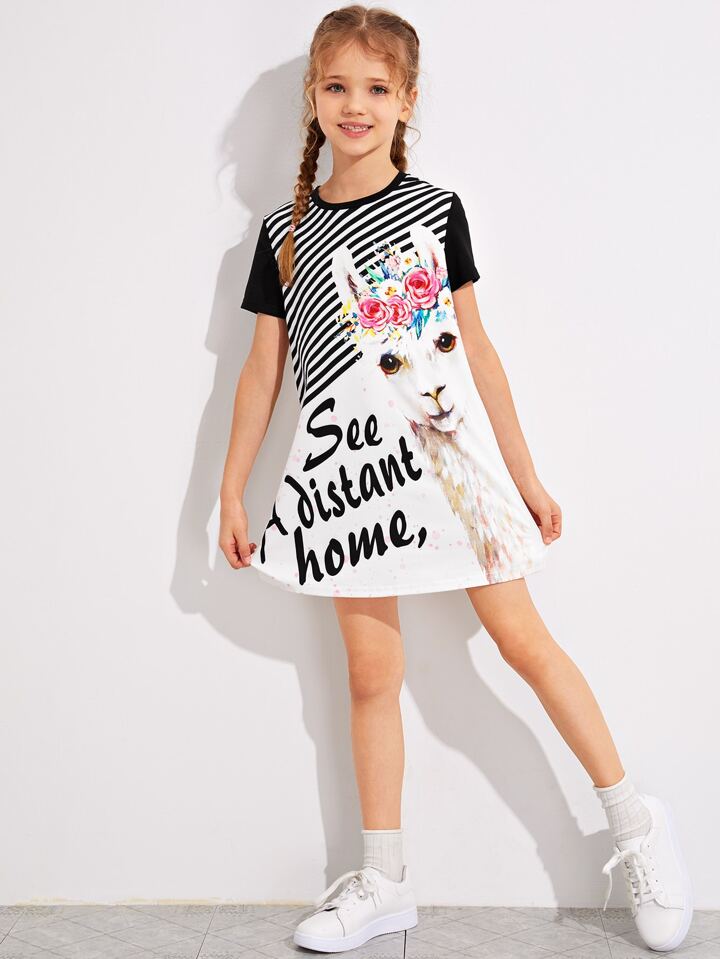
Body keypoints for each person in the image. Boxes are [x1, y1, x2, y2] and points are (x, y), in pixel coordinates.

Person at [220, 5, 693, 954]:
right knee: (370, 674)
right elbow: (263, 372)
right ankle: (385, 878)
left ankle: (637, 824)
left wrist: (525, 477)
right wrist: (234, 491)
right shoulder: (281, 233)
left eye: (377, 87)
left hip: (449, 464)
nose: (356, 104)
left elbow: (477, 352)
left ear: (407, 101)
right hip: (348, 481)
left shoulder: (436, 212)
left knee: (522, 640)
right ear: (313, 96)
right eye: (337, 86)